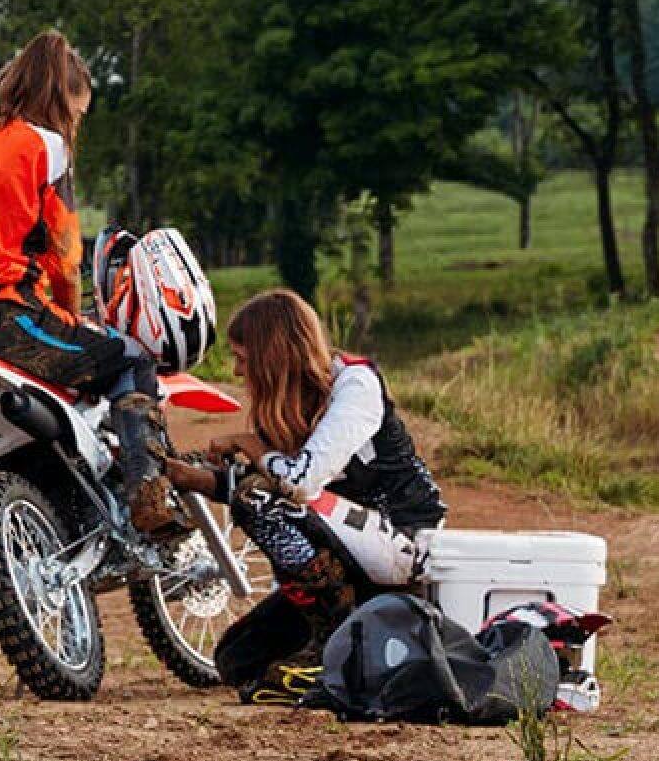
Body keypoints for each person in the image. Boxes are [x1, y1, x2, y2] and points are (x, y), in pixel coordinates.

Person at [0, 29, 167, 696]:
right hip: (7, 318)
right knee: (128, 363)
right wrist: (80, 318)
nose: (77, 122)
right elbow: (63, 249)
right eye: (78, 110)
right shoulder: (44, 144)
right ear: (62, 96)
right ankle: (146, 492)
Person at [161, 288, 446, 699]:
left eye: (243, 359)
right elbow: (269, 483)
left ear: (271, 356)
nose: (239, 373)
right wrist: (181, 475)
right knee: (237, 660)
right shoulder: (293, 404)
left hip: (403, 540)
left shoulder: (355, 384)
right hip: (349, 551)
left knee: (256, 498)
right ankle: (333, 629)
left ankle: (332, 633)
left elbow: (300, 482)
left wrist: (252, 447)